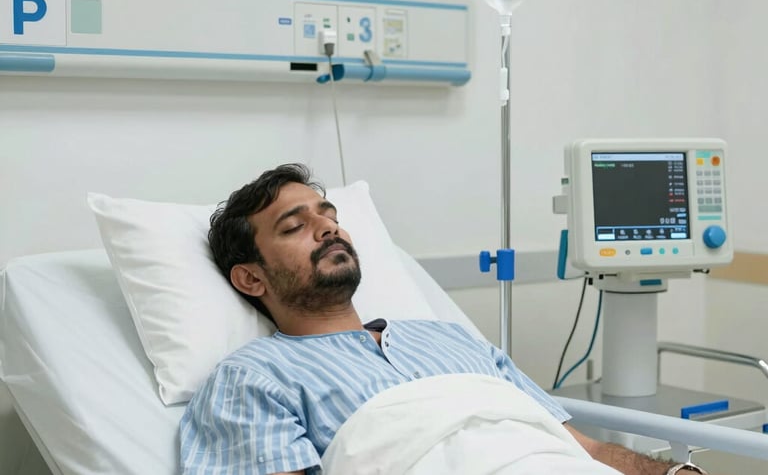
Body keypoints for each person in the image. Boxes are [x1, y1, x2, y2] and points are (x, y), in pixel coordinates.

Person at [180, 163, 709, 475]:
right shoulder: (252, 379)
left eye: (331, 216)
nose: (328, 230)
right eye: (295, 226)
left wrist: (674, 472)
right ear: (251, 279)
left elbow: (585, 451)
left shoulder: (452, 340)